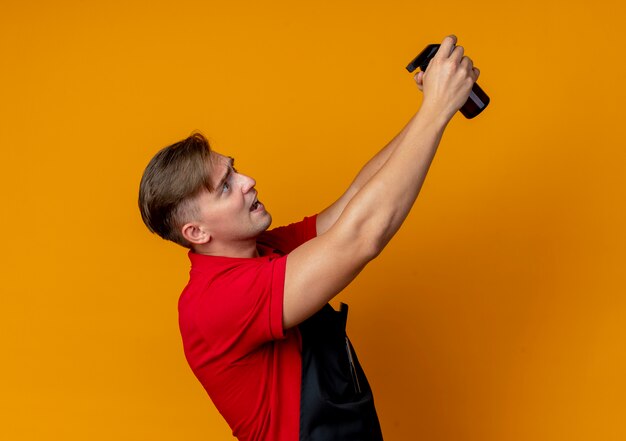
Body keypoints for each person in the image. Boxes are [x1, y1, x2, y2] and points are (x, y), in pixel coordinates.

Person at [138, 34, 479, 441]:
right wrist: (436, 112)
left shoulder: (265, 251)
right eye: (226, 186)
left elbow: (355, 201)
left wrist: (431, 108)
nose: (248, 181)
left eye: (235, 169)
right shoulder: (215, 302)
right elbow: (361, 237)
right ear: (197, 232)